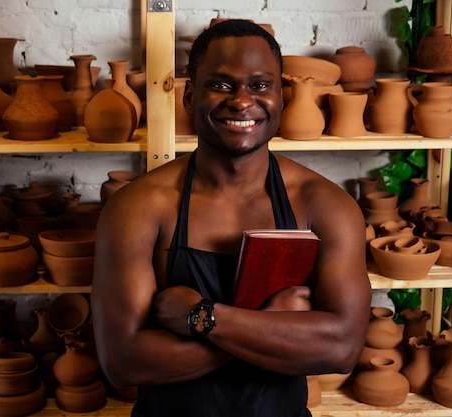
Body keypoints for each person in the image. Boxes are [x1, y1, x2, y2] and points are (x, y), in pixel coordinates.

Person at [91, 19, 372, 417]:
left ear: (281, 96)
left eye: (259, 85)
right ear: (190, 96)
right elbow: (123, 362)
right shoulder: (139, 207)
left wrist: (203, 318)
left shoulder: (325, 207)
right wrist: (272, 328)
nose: (242, 101)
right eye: (221, 85)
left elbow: (341, 348)